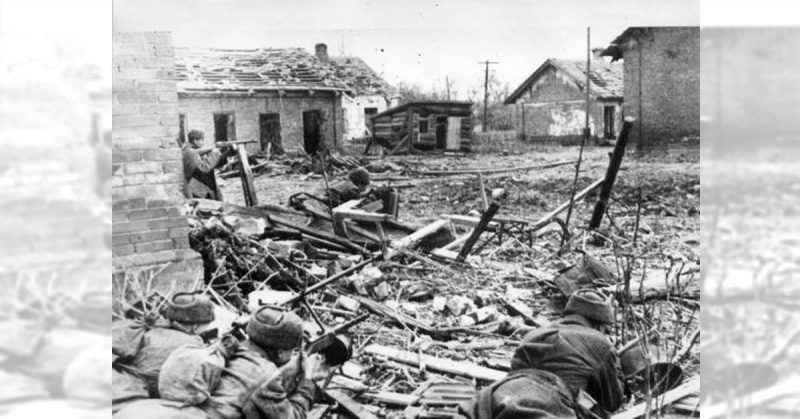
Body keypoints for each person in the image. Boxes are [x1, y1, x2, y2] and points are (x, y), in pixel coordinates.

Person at [462, 289, 624, 419]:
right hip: (547, 402)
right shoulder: (600, 342)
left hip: (498, 395)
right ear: (600, 324)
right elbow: (611, 401)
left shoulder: (536, 333)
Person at [204, 305, 330, 419]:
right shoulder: (266, 376)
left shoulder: (228, 349)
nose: (293, 354)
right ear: (280, 353)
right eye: (293, 350)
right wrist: (308, 379)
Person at [113, 292, 215, 402]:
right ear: (195, 327)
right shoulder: (194, 343)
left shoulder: (150, 328)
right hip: (145, 393)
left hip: (121, 380)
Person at [182, 129, 232, 200]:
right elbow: (204, 168)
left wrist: (224, 154)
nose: (204, 142)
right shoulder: (191, 153)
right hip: (197, 188)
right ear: (195, 140)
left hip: (200, 185)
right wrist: (215, 153)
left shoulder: (190, 150)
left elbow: (210, 163)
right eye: (202, 140)